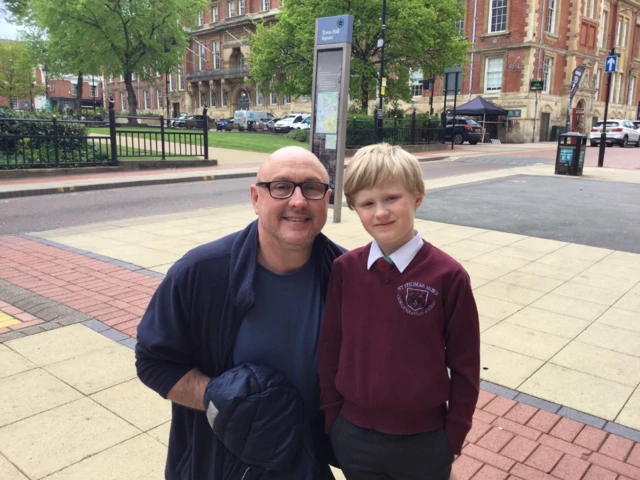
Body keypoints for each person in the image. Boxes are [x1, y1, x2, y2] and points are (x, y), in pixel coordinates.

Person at [136, 146, 344, 479]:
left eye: (313, 188)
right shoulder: (200, 273)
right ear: (255, 197)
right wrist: (231, 404)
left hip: (308, 464)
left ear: (328, 198)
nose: (298, 201)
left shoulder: (346, 276)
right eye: (281, 187)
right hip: (217, 464)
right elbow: (153, 361)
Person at [318, 143, 480, 480]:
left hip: (424, 441)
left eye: (392, 198)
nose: (380, 213)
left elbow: (465, 365)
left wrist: (453, 436)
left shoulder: (448, 276)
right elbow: (330, 348)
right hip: (354, 435)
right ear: (353, 208)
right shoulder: (345, 269)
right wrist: (333, 417)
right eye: (367, 203)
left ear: (417, 197)